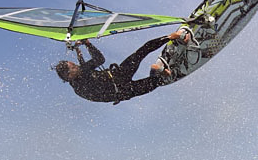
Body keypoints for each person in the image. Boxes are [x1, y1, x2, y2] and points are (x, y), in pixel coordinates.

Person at [53, 29, 192, 104]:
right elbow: (96, 63)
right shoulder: (80, 87)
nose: (76, 66)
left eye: (74, 64)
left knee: (142, 54)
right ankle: (173, 38)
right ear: (69, 75)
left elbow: (98, 60)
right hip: (122, 88)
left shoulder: (79, 77)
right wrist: (86, 45)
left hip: (119, 80)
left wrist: (86, 45)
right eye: (73, 67)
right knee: (143, 56)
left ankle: (171, 41)